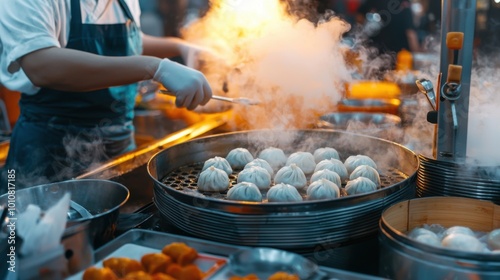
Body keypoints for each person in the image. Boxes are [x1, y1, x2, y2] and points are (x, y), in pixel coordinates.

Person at [0, 0, 214, 192]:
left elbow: (131, 40)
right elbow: (42, 65)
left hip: (120, 155)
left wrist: (178, 46)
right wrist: (154, 67)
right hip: (48, 156)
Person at [356, 0, 421, 55]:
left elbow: (359, 16)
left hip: (374, 51)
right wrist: (417, 53)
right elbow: (410, 34)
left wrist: (364, 29)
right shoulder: (404, 3)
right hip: (397, 55)